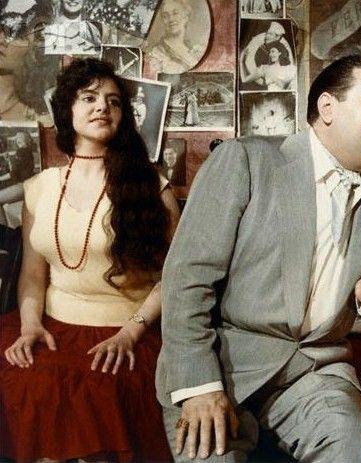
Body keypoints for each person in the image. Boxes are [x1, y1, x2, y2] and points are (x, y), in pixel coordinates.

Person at [157, 54, 361, 462]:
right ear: (328, 107)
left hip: (317, 369)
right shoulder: (245, 160)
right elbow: (187, 278)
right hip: (223, 365)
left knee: (352, 445)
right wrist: (200, 386)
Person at [0, 58, 180, 462]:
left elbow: (177, 276)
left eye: (113, 101)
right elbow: (33, 274)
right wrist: (29, 326)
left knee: (98, 393)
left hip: (126, 333)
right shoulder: (39, 187)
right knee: (27, 382)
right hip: (51, 327)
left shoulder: (151, 186)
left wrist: (130, 333)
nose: (103, 107)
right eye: (90, 98)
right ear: (67, 110)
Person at [146, 0, 206, 74]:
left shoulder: (195, 49)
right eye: (165, 16)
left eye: (175, 13)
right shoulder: (157, 53)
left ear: (186, 17)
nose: (171, 19)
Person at [240, 21, 294, 89]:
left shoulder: (289, 68)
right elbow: (245, 80)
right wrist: (241, 61)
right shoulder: (264, 69)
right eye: (267, 33)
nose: (267, 36)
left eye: (270, 34)